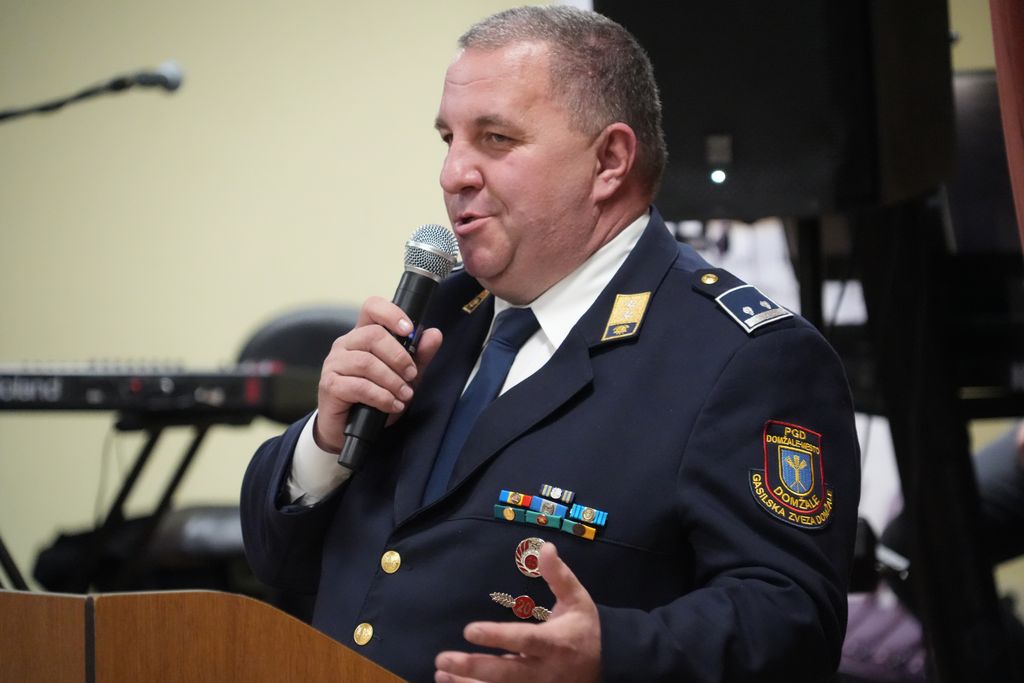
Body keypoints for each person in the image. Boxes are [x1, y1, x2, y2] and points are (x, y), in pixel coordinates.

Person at [241, 6, 861, 681]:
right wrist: (325, 442)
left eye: (496, 138)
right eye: (449, 139)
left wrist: (612, 653)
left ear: (609, 161)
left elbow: (792, 619)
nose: (453, 173)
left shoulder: (741, 356)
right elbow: (278, 561)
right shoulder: (437, 315)